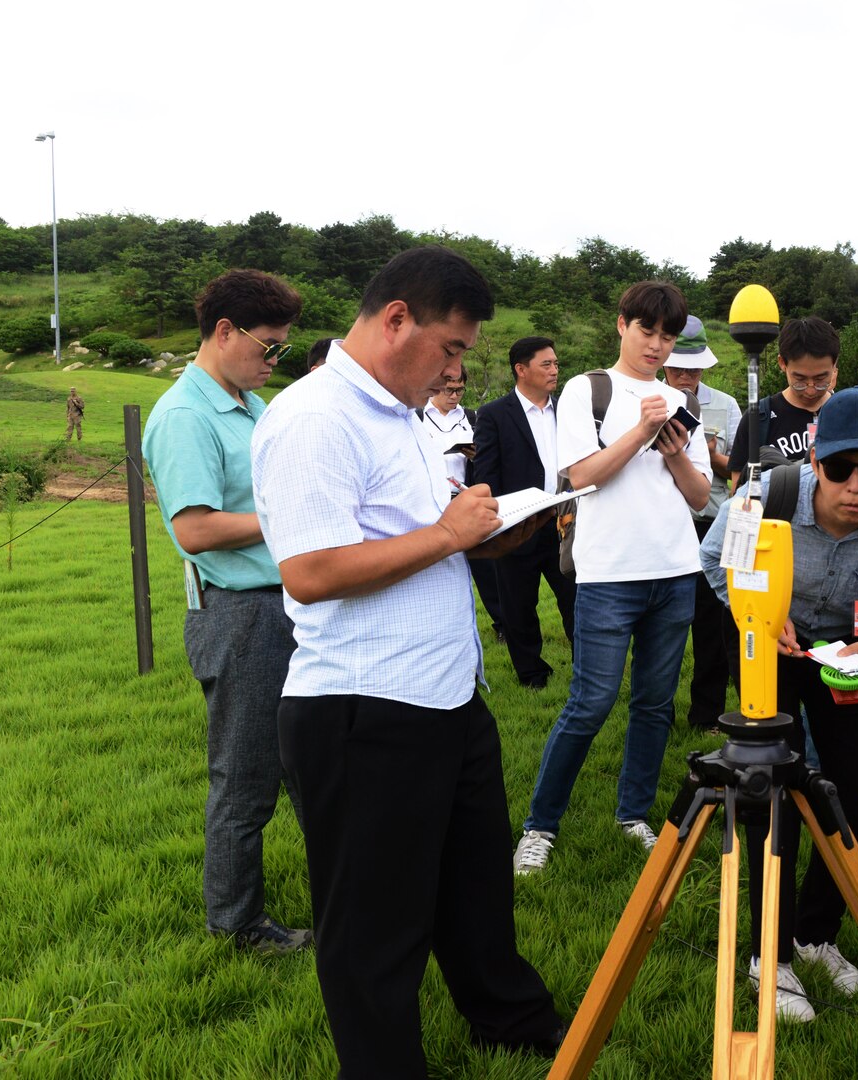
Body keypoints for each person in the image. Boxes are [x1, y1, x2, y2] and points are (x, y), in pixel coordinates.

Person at [250, 246, 564, 1077]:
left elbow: (421, 541)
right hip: (362, 711)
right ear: (396, 320)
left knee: (474, 894)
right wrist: (447, 535)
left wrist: (487, 537)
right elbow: (311, 573)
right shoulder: (315, 418)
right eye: (452, 348)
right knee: (374, 929)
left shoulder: (404, 416)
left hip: (446, 697)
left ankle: (510, 1019)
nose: (455, 368)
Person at [699, 389, 858, 1023]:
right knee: (770, 793)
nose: (855, 487)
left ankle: (815, 935)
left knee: (845, 793)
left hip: (847, 656)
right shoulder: (765, 495)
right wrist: (760, 616)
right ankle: (766, 954)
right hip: (771, 644)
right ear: (814, 464)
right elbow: (713, 561)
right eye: (839, 469)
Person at [514, 281, 711, 872]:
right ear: (622, 324)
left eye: (667, 336)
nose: (656, 345)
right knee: (590, 702)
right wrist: (640, 432)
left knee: (655, 705)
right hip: (608, 574)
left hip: (675, 569)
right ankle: (539, 827)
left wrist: (674, 448)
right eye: (646, 330)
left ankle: (634, 815)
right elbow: (578, 476)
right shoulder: (587, 390)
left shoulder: (684, 403)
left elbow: (701, 496)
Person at [142, 268, 309, 953]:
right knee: (244, 783)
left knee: (313, 761)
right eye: (268, 346)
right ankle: (236, 925)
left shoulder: (251, 405)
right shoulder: (184, 416)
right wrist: (287, 513)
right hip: (240, 617)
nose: (274, 360)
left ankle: (350, 891)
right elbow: (196, 530)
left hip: (286, 606)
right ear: (223, 332)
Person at [472, 336, 576, 689]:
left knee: (575, 598)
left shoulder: (567, 409)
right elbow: (485, 475)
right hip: (519, 524)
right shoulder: (494, 415)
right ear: (521, 369)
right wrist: (506, 519)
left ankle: (587, 664)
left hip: (565, 521)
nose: (554, 370)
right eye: (546, 364)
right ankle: (532, 673)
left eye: (556, 364)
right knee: (518, 605)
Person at [663, 316, 743, 730]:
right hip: (664, 526)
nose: (685, 376)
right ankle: (659, 711)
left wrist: (711, 457)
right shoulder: (649, 401)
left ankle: (706, 714)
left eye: (693, 369)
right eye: (677, 368)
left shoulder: (725, 405)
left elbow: (740, 470)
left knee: (713, 626)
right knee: (666, 623)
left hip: (711, 524)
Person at [418, 371, 507, 643]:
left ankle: (503, 622)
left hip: (465, 496)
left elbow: (490, 456)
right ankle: (437, 625)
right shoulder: (417, 417)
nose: (455, 396)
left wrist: (477, 455)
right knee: (434, 563)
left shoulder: (472, 418)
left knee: (487, 565)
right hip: (431, 500)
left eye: (460, 390)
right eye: (449, 390)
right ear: (435, 388)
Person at [726, 316, 838, 480]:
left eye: (821, 380)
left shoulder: (849, 413)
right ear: (782, 363)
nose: (811, 390)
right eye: (799, 380)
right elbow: (738, 490)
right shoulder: (757, 418)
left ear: (834, 364)